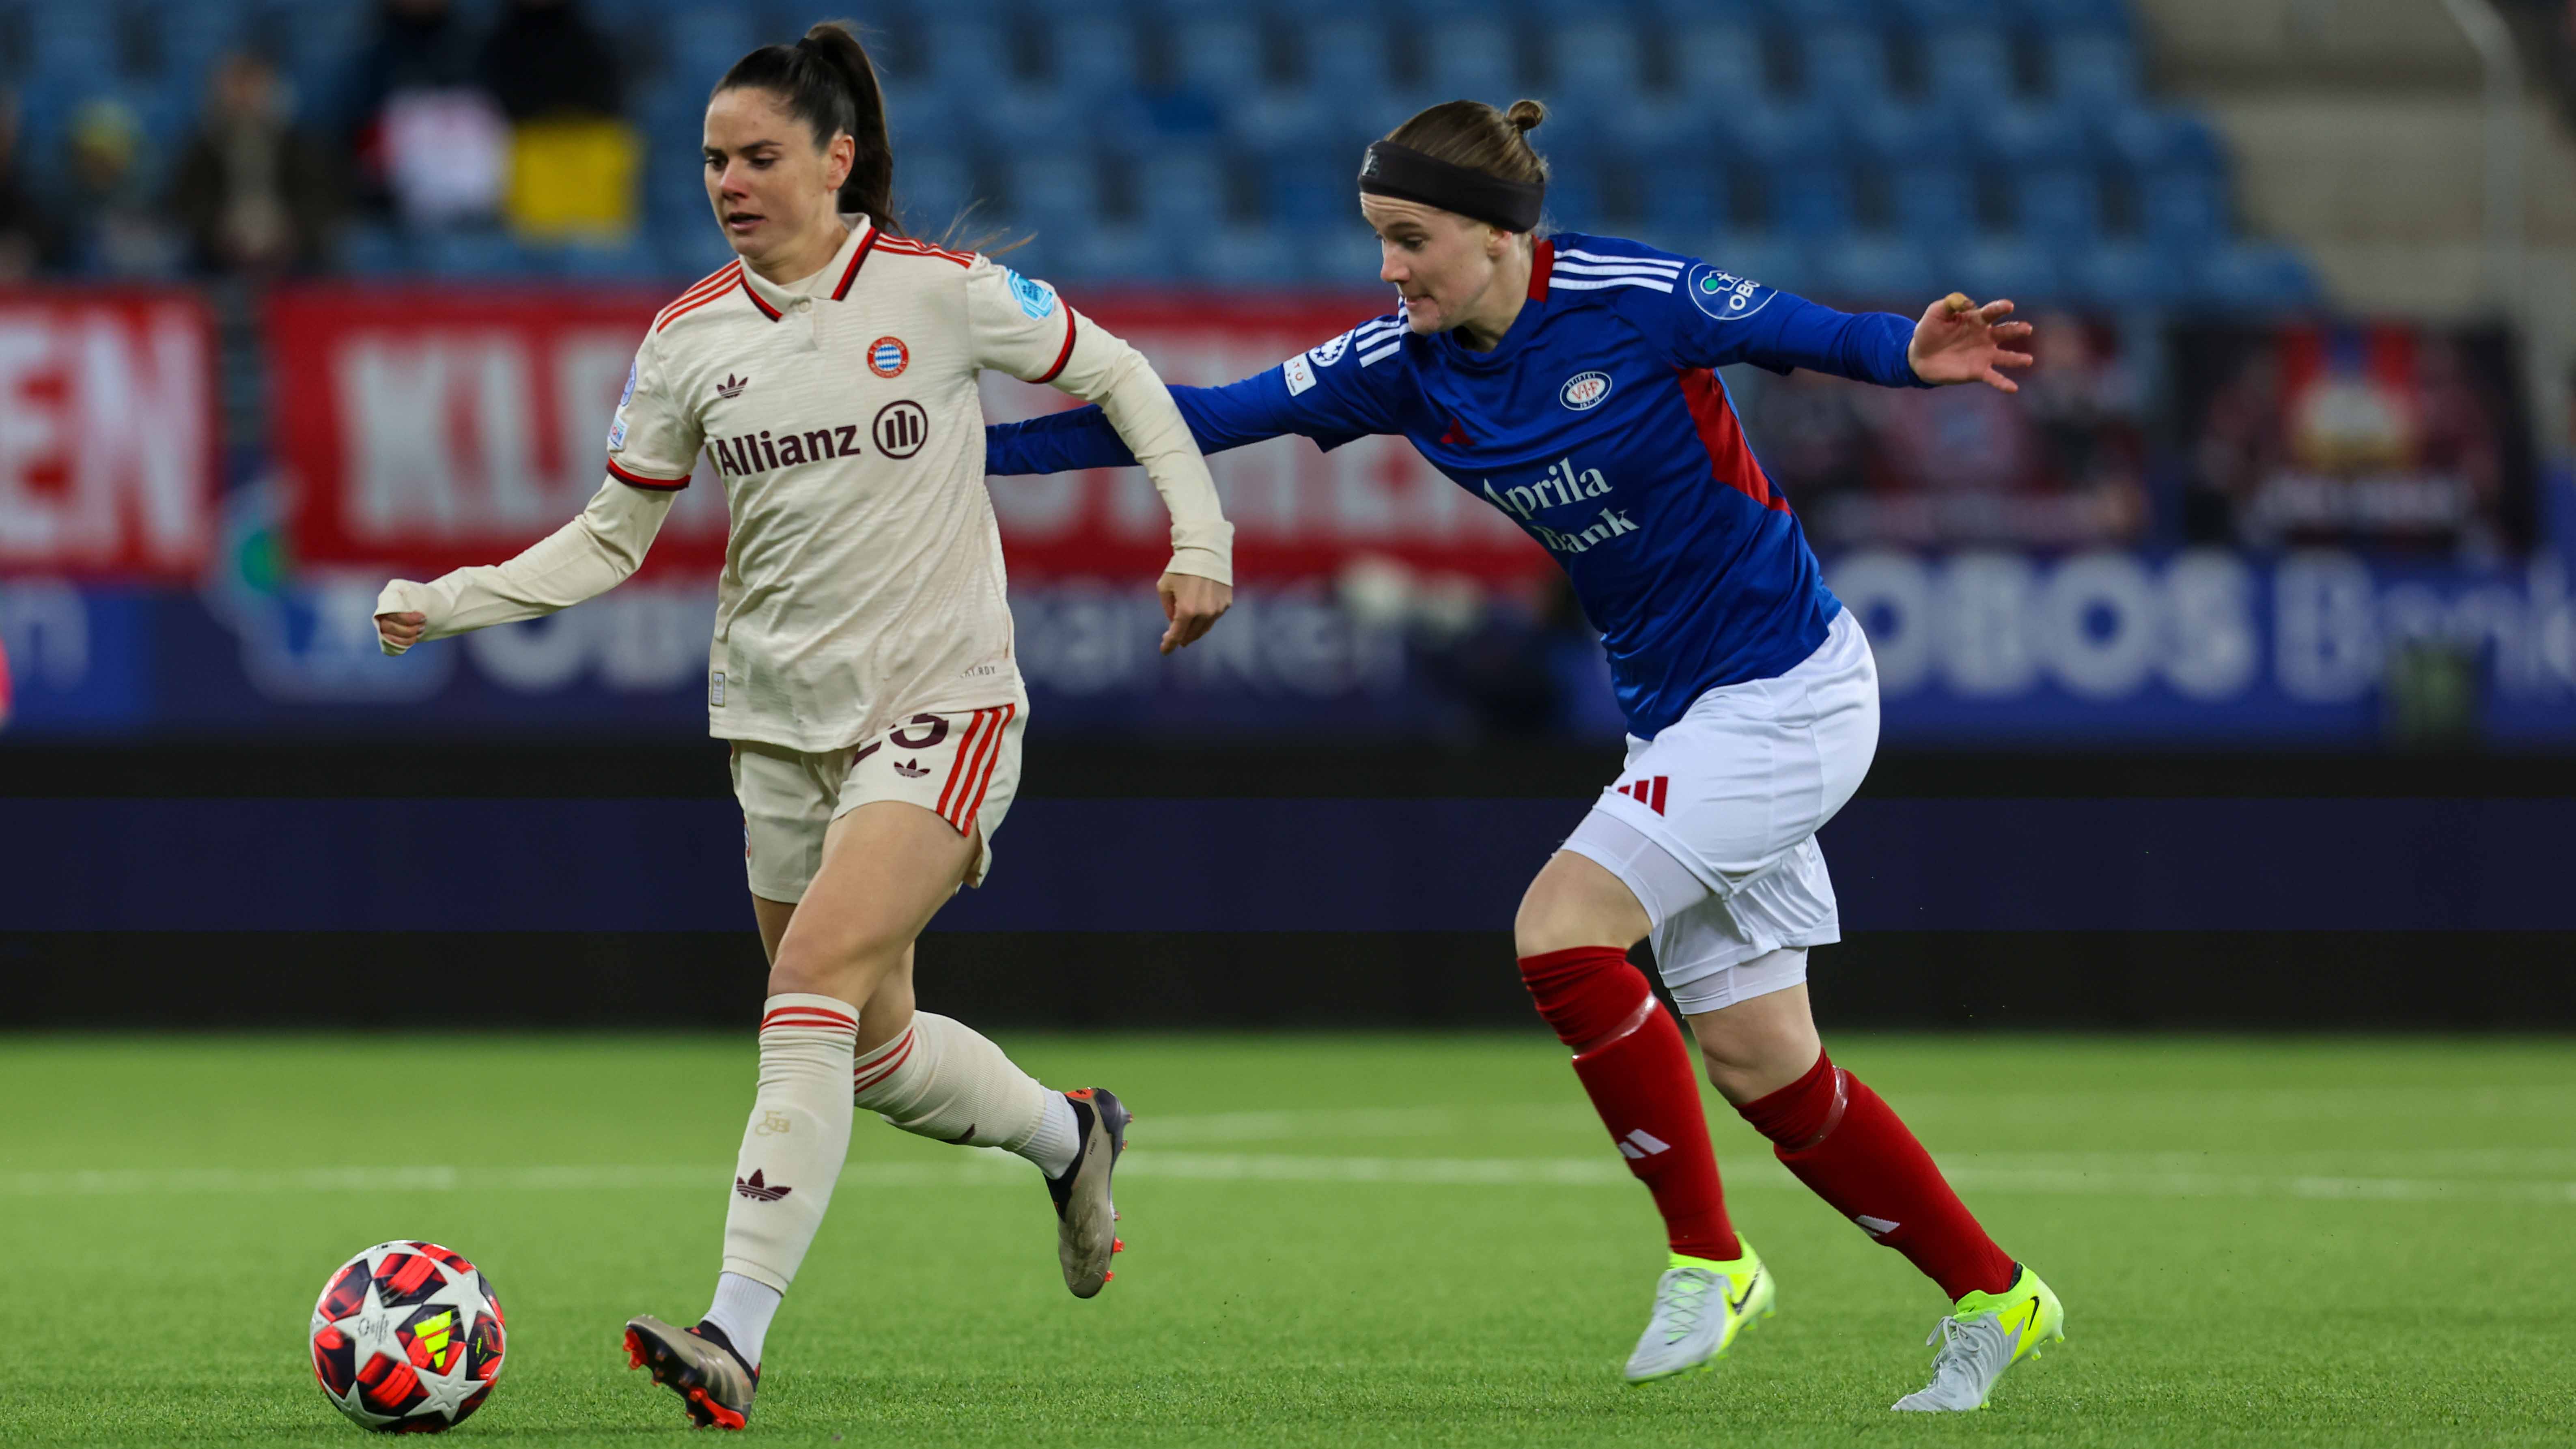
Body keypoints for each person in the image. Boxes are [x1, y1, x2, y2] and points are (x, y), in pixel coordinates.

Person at [984, 98, 2061, 1413]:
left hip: (1786, 694)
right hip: (1676, 719)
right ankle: (1995, 1298)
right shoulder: (1402, 359)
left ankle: (1706, 1259)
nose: (1389, 270)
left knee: (1559, 933)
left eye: (1410, 239)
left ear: (1500, 235)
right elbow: (1193, 417)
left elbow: (1794, 328)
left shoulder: (1625, 294)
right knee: (1764, 1067)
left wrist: (1905, 350)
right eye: (1378, 240)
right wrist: (962, 455)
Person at [373, 22, 1234, 1430]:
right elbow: (612, 537)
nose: (730, 180)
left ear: (836, 160)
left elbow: (1120, 374)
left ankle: (734, 1332)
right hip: (773, 726)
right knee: (871, 1045)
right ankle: (1071, 1137)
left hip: (940, 705)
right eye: (713, 158)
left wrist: (1198, 533)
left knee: (813, 978)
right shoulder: (690, 338)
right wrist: (452, 599)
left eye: (760, 156)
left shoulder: (942, 294)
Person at [169, 53, 345, 275]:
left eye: (253, 90)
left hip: (294, 252)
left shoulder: (302, 148)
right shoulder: (201, 150)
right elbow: (186, 205)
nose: (245, 100)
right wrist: (219, 230)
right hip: (216, 254)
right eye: (238, 90)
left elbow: (324, 200)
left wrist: (290, 229)